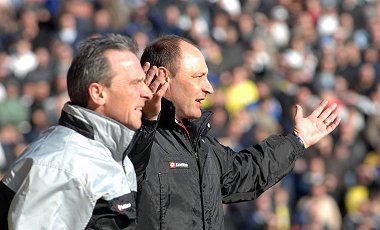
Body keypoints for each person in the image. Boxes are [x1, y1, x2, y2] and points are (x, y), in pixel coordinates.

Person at [134, 35, 341, 229]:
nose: (209, 88)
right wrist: (148, 120)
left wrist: (298, 140)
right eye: (198, 77)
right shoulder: (129, 135)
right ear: (163, 77)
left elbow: (246, 173)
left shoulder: (199, 142)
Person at [0, 34, 167, 229]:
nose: (147, 93)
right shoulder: (58, 168)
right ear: (98, 93)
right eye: (135, 83)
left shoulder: (111, 155)